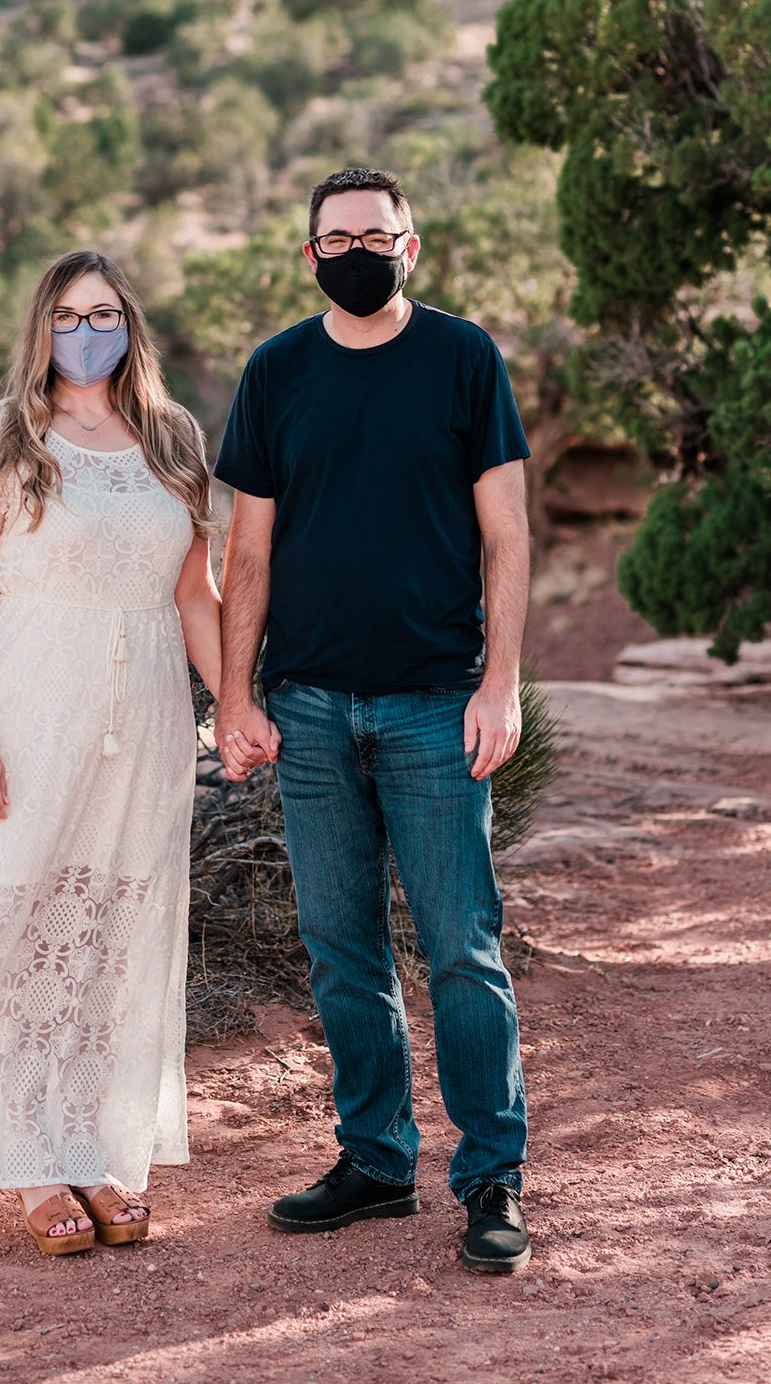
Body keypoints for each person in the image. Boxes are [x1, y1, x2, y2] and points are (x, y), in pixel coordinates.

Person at [0, 249, 222, 1256]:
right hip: (22, 710)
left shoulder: (174, 438)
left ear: (131, 324)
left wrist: (236, 698)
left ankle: (95, 1143)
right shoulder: (0, 437)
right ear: (40, 327)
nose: (87, 331)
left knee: (111, 919)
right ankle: (27, 1156)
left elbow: (193, 593)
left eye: (104, 313)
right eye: (67, 315)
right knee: (19, 918)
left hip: (144, 719)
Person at [212, 167, 533, 1274]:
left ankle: (492, 1176)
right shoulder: (276, 373)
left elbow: (507, 535)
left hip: (437, 706)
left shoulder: (463, 359)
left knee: (462, 950)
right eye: (337, 235)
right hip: (304, 711)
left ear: (412, 245)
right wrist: (236, 694)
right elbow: (246, 550)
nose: (359, 249)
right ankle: (376, 1164)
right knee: (342, 951)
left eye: (377, 233)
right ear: (309, 255)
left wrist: (503, 683)